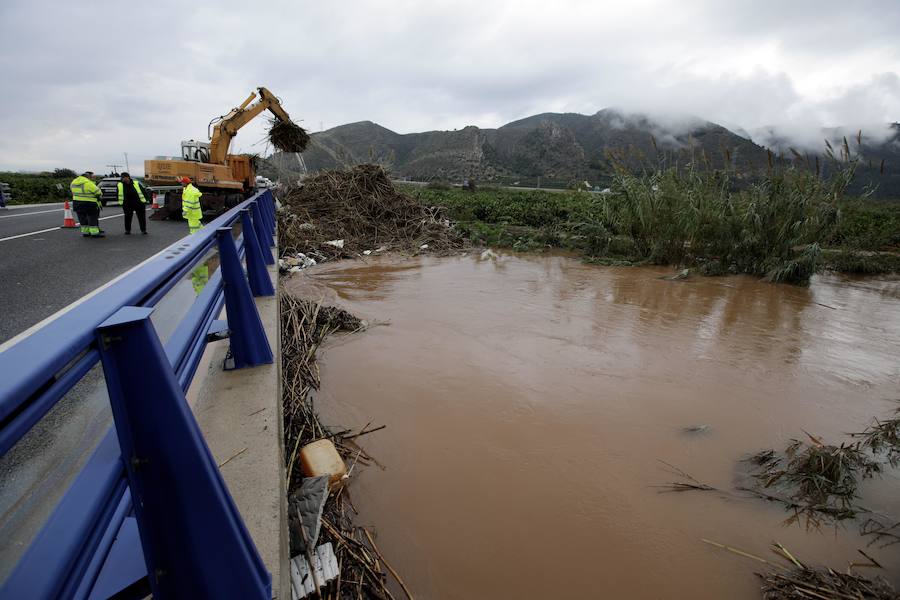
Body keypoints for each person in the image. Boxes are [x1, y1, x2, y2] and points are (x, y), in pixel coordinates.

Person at [70, 171, 103, 237]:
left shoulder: (73, 182)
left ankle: (85, 233)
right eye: (90, 177)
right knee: (92, 218)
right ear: (87, 177)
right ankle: (94, 233)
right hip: (89, 203)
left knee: (82, 218)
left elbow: (72, 190)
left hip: (77, 203)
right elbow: (98, 192)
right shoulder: (88, 183)